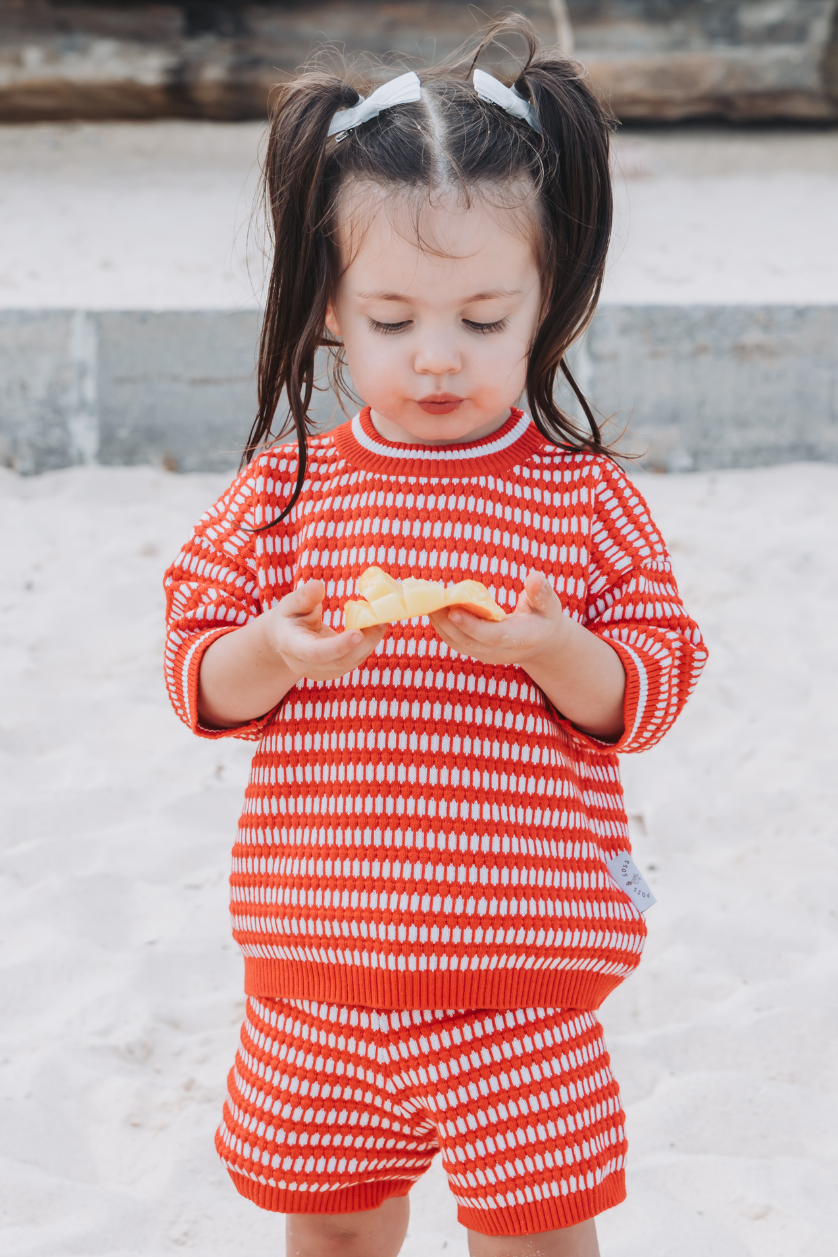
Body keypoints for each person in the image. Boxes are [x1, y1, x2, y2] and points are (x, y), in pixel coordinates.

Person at [163, 16, 706, 1257]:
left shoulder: (581, 497)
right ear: (329, 309)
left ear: (548, 299)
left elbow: (657, 680)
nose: (439, 358)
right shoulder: (286, 490)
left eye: (482, 316)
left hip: (523, 978)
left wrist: (557, 650)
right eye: (395, 320)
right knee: (338, 1232)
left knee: (532, 1237)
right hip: (319, 970)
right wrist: (273, 650)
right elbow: (197, 671)